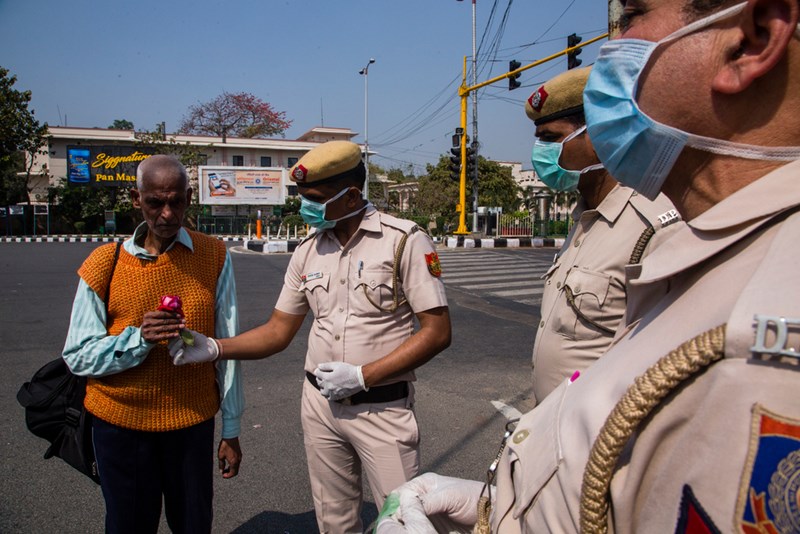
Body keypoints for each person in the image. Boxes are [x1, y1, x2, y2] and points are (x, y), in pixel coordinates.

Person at [377, 0, 800, 531]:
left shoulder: (769, 307)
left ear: (752, 37)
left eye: (632, 18)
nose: (609, 51)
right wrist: (498, 508)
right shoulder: (712, 241)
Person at [170, 140, 452, 533]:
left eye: (315, 199)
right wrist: (216, 347)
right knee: (333, 521)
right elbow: (277, 331)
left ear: (352, 195)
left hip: (382, 408)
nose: (306, 208)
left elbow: (438, 332)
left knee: (403, 520)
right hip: (320, 409)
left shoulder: (403, 240)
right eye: (302, 198)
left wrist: (362, 375)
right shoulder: (307, 251)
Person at [62, 154, 243, 534]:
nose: (166, 214)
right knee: (128, 524)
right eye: (155, 203)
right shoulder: (103, 264)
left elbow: (228, 347)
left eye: (176, 201)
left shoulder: (214, 256)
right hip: (119, 427)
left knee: (193, 524)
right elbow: (78, 356)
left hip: (190, 425)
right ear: (135, 198)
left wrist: (231, 427)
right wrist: (138, 339)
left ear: (189, 198)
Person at [525, 66, 680, 405]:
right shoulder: (584, 219)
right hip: (552, 434)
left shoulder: (651, 225)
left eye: (551, 139)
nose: (540, 152)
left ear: (598, 135)